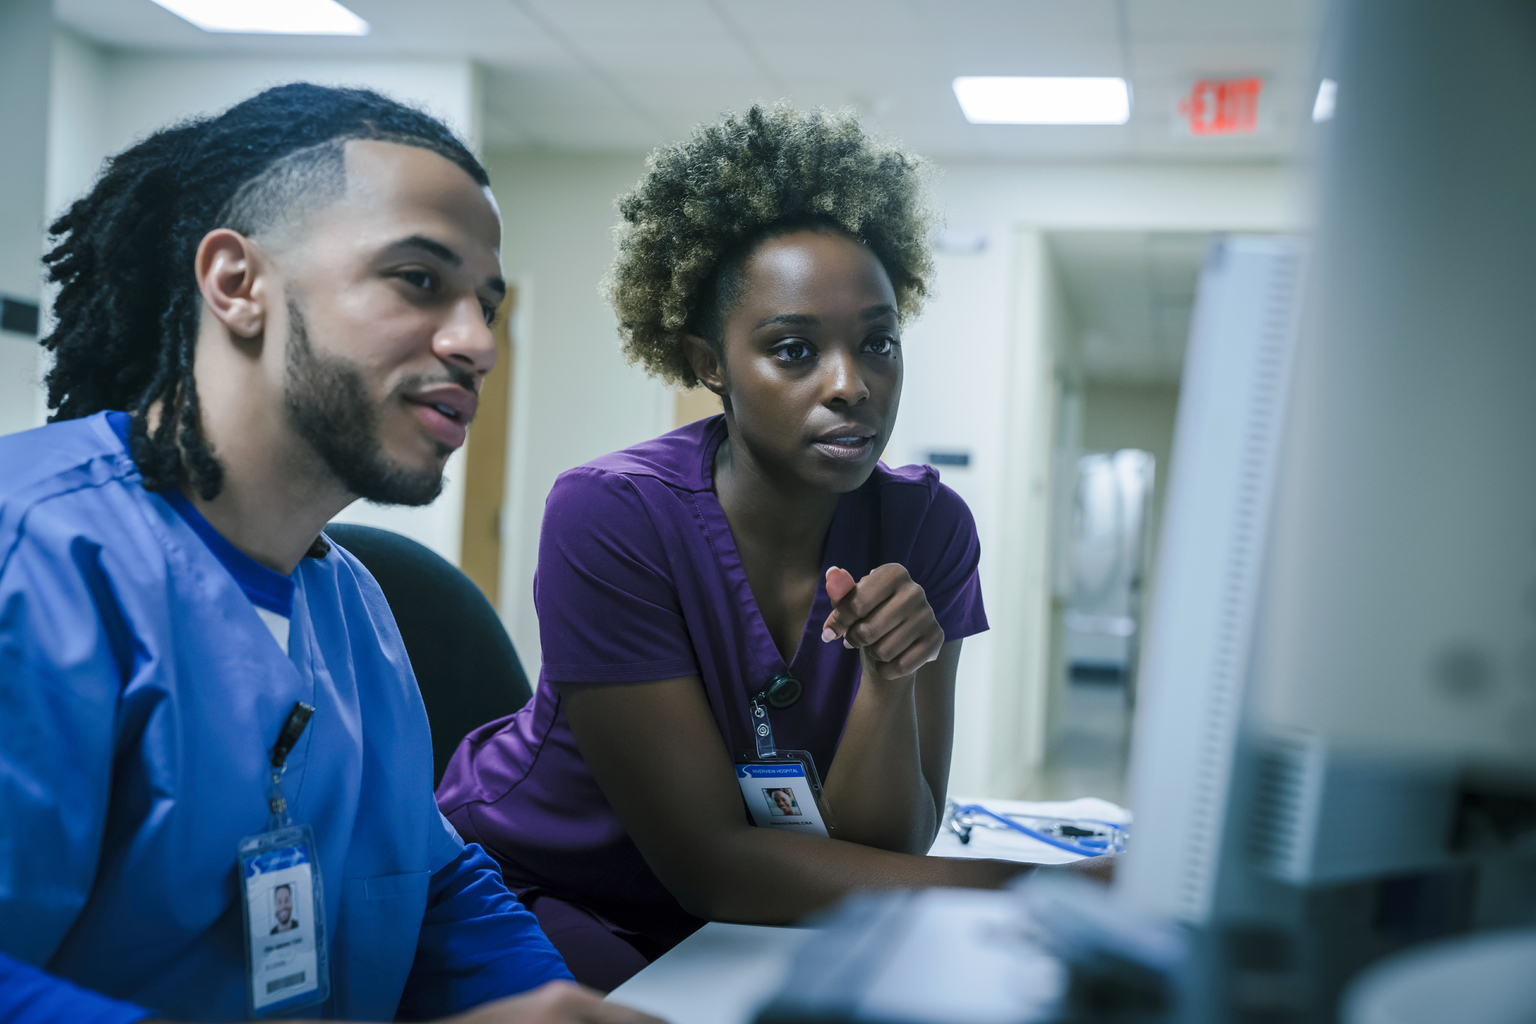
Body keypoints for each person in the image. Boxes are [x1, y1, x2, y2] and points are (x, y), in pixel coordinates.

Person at [0, 83, 662, 1024]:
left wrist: (551, 1005)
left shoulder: (350, 602)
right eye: (418, 280)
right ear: (237, 285)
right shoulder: (35, 555)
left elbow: (431, 887)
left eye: (487, 303)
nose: (476, 342)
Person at [438, 104, 1096, 992]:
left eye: (878, 344)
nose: (850, 385)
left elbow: (892, 844)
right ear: (709, 362)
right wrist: (1041, 891)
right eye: (794, 351)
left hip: (757, 910)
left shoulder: (927, 529)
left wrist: (887, 682)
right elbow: (708, 864)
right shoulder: (614, 515)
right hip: (541, 886)